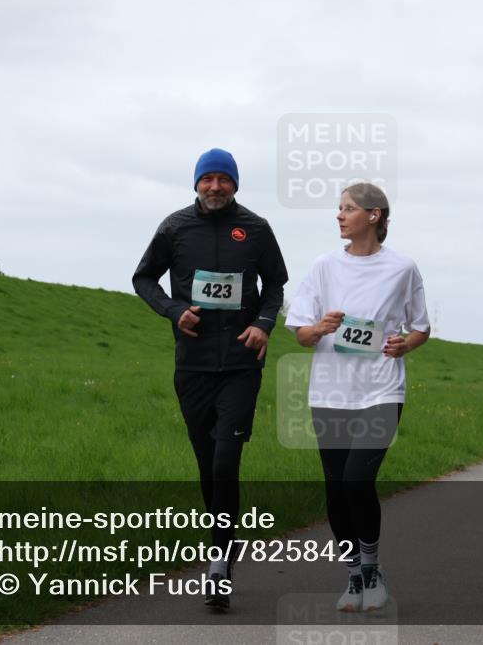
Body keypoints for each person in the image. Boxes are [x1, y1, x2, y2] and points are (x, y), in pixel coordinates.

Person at [132, 148, 289, 611]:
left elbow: (276, 283)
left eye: (224, 179)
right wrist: (174, 310)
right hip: (194, 365)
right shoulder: (175, 227)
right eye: (208, 179)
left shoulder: (256, 229)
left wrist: (263, 323)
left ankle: (218, 563)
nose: (215, 186)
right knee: (207, 464)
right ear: (196, 184)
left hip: (241, 362)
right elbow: (144, 279)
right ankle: (225, 539)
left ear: (235, 184)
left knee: (225, 461)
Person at [285, 182, 430, 613]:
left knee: (356, 481)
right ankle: (352, 575)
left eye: (348, 208)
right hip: (330, 393)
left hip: (381, 390)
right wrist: (321, 328)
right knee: (335, 490)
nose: (339, 215)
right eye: (339, 208)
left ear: (374, 215)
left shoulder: (403, 269)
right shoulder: (323, 266)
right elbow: (301, 334)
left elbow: (420, 327)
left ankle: (371, 569)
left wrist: (407, 344)